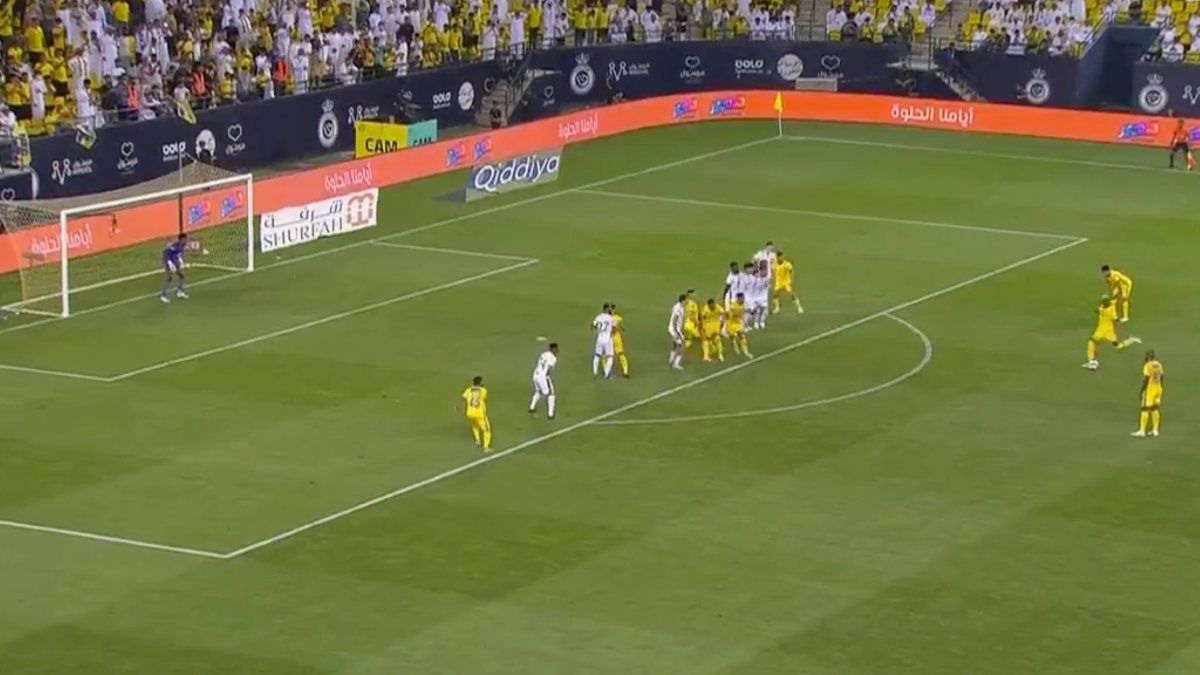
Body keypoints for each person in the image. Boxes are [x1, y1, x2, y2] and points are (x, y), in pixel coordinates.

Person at [1083, 295, 1138, 370]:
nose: (1103, 303)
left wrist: (1117, 321)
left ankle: (1130, 340)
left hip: (1108, 331)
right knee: (1092, 342)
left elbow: (1113, 318)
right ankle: (1091, 361)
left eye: (1104, 302)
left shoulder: (1109, 310)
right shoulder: (1107, 305)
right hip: (1101, 330)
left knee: (1117, 346)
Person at [1132, 350, 1164, 437]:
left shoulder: (1147, 366)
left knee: (1145, 409)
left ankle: (1142, 431)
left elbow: (1146, 379)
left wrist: (1142, 390)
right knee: (1155, 409)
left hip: (1150, 390)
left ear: (1148, 357)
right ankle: (1155, 430)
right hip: (1158, 388)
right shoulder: (1159, 364)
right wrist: (1161, 388)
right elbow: (1162, 377)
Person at [460, 375, 492, 451]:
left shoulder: (468, 389)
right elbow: (485, 399)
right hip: (479, 413)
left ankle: (477, 440)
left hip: (470, 413)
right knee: (487, 430)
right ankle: (486, 447)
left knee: (475, 426)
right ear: (480, 383)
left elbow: (463, 398)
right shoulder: (483, 390)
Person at [529, 342, 559, 419]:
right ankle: (550, 414)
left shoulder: (544, 354)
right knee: (551, 394)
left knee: (538, 391)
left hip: (536, 374)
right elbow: (550, 368)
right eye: (556, 349)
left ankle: (532, 407)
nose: (557, 350)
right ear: (552, 349)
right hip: (543, 377)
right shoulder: (553, 358)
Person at [160, 233, 189, 303]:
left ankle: (179, 292)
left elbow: (177, 255)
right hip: (167, 261)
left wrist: (181, 262)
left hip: (174, 260)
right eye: (185, 239)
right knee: (169, 278)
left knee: (181, 275)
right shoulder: (174, 246)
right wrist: (170, 264)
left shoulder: (183, 245)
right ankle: (163, 295)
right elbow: (165, 253)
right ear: (181, 239)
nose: (186, 240)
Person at [592, 302, 615, 378]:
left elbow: (593, 325)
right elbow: (614, 328)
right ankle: (606, 374)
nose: (610, 309)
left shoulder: (598, 317)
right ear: (606, 309)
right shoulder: (611, 318)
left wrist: (596, 331)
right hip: (607, 339)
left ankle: (595, 372)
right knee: (610, 356)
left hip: (599, 338)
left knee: (597, 355)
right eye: (609, 308)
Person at [726, 292, 751, 358]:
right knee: (733, 337)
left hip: (737, 323)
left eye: (743, 298)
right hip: (731, 323)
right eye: (742, 298)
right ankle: (734, 344)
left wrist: (748, 311)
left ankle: (745, 351)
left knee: (741, 335)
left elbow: (742, 312)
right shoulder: (733, 306)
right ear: (738, 298)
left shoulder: (743, 304)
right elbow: (730, 314)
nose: (743, 299)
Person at [700, 297, 725, 362]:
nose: (713, 305)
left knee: (717, 339)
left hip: (716, 324)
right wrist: (702, 327)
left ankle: (720, 354)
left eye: (713, 304)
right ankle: (706, 356)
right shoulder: (706, 310)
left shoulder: (717, 307)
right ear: (709, 305)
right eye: (712, 305)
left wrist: (722, 321)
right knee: (707, 340)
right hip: (708, 325)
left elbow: (723, 313)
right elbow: (701, 318)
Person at [611, 303, 630, 378]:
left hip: (608, 338)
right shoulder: (618, 318)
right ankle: (625, 371)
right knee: (621, 354)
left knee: (606, 355)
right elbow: (623, 328)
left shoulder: (605, 317)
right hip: (616, 337)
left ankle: (606, 371)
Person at [667, 293, 686, 370]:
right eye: (686, 300)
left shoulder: (678, 306)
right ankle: (676, 363)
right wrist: (677, 332)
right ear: (683, 300)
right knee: (682, 346)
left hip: (673, 328)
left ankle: (671, 358)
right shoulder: (678, 308)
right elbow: (675, 320)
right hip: (675, 329)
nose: (687, 301)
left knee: (675, 344)